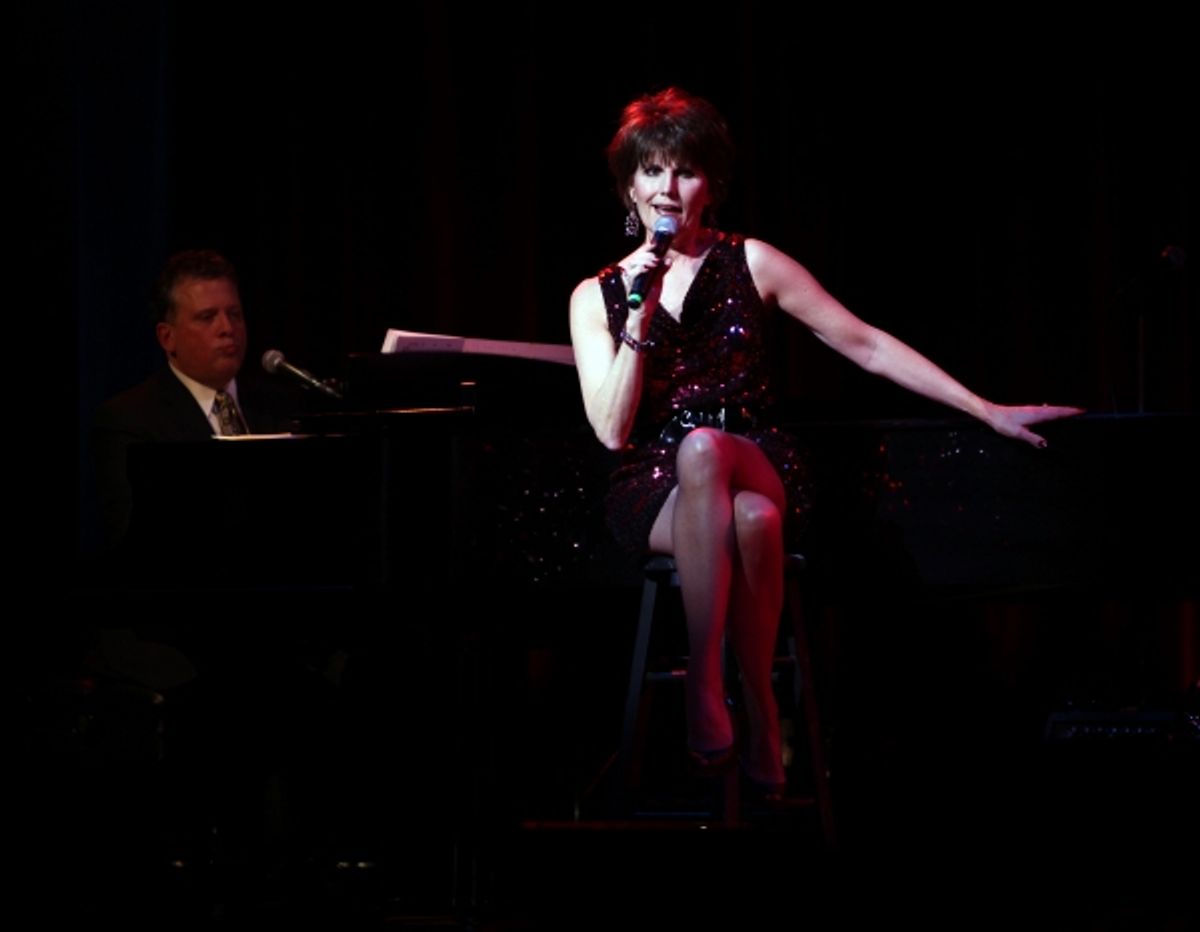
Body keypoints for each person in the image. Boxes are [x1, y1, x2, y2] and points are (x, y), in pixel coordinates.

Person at [568, 87, 1083, 800]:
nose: (668, 187)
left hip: (755, 455)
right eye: (652, 171)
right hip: (655, 483)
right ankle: (758, 701)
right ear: (629, 187)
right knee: (749, 518)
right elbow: (613, 430)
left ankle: (704, 684)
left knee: (715, 456)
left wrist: (985, 409)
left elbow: (865, 344)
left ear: (709, 185)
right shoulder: (598, 294)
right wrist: (640, 314)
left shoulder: (752, 262)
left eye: (684, 170)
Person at [92, 248, 293, 547]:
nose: (227, 329)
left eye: (234, 314)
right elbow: (130, 535)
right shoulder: (130, 419)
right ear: (167, 337)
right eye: (207, 317)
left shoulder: (281, 407)